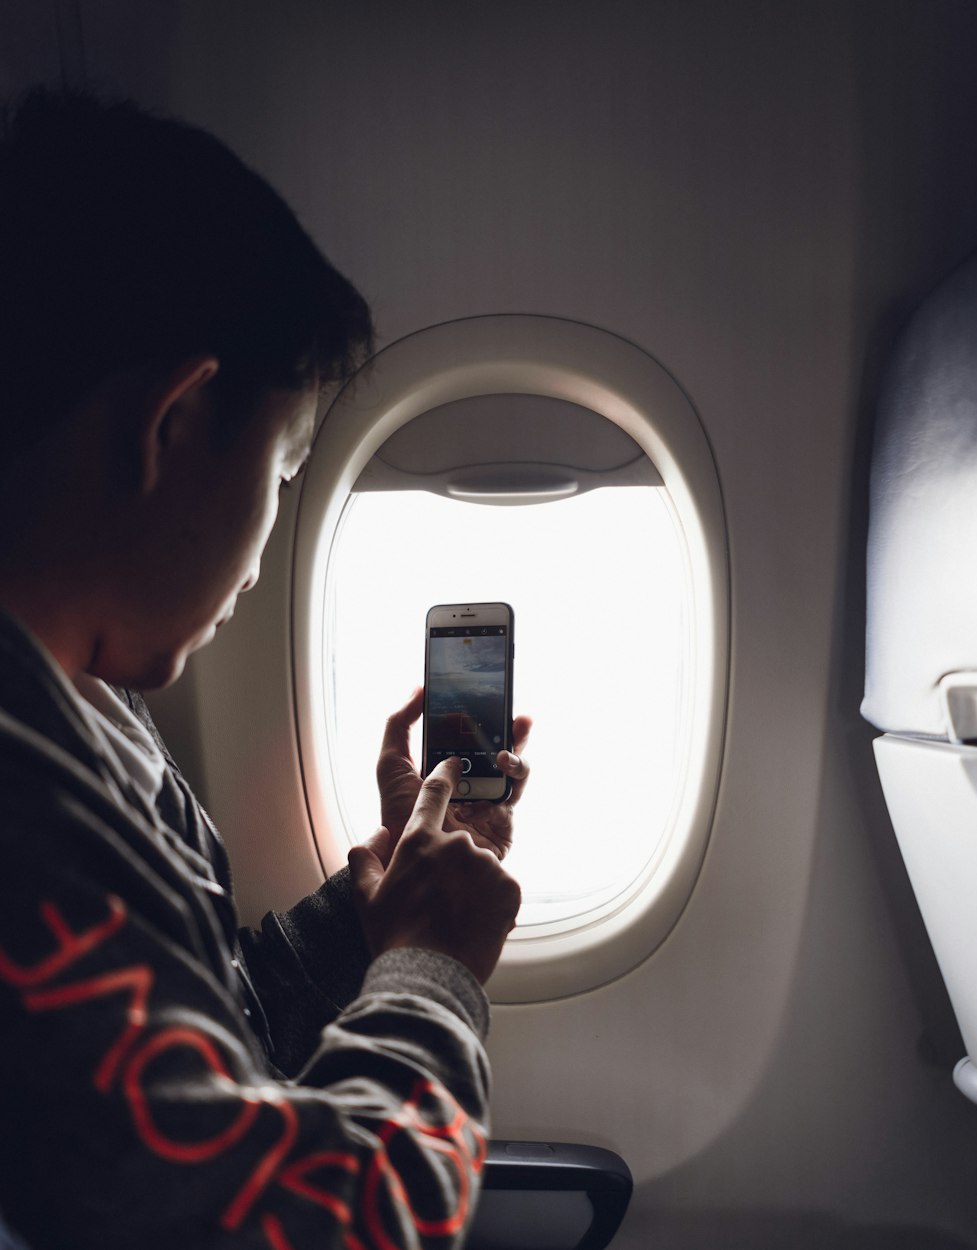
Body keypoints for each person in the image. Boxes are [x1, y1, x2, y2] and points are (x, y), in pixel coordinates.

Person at [0, 87, 531, 1248]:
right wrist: (434, 964)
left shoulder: (90, 714)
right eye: (287, 465)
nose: (266, 538)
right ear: (173, 423)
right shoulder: (22, 807)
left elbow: (190, 1049)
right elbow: (330, 1223)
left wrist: (367, 912)